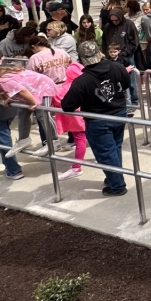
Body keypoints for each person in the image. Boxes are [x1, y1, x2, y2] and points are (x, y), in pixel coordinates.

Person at [60, 42, 132, 196]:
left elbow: (67, 105)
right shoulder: (117, 67)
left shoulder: (82, 81)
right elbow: (126, 84)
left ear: (81, 59)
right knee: (115, 148)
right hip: (119, 114)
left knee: (106, 153)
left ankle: (117, 186)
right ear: (99, 53)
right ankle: (113, 178)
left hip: (98, 120)